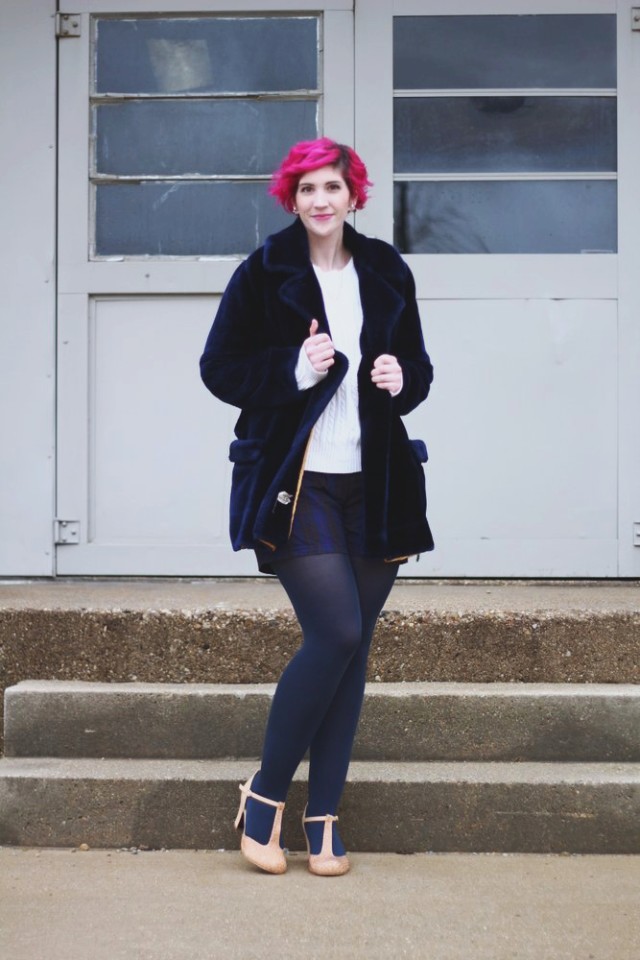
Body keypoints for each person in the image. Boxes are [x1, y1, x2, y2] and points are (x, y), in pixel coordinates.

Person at [200, 137, 434, 876]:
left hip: (377, 482)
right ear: (292, 200)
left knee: (353, 649)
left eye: (332, 186)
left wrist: (402, 378)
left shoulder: (386, 269)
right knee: (335, 632)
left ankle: (324, 815)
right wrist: (294, 369)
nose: (320, 200)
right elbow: (219, 368)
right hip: (297, 482)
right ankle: (265, 795)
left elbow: (419, 367)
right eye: (306, 189)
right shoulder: (265, 271)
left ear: (353, 194)